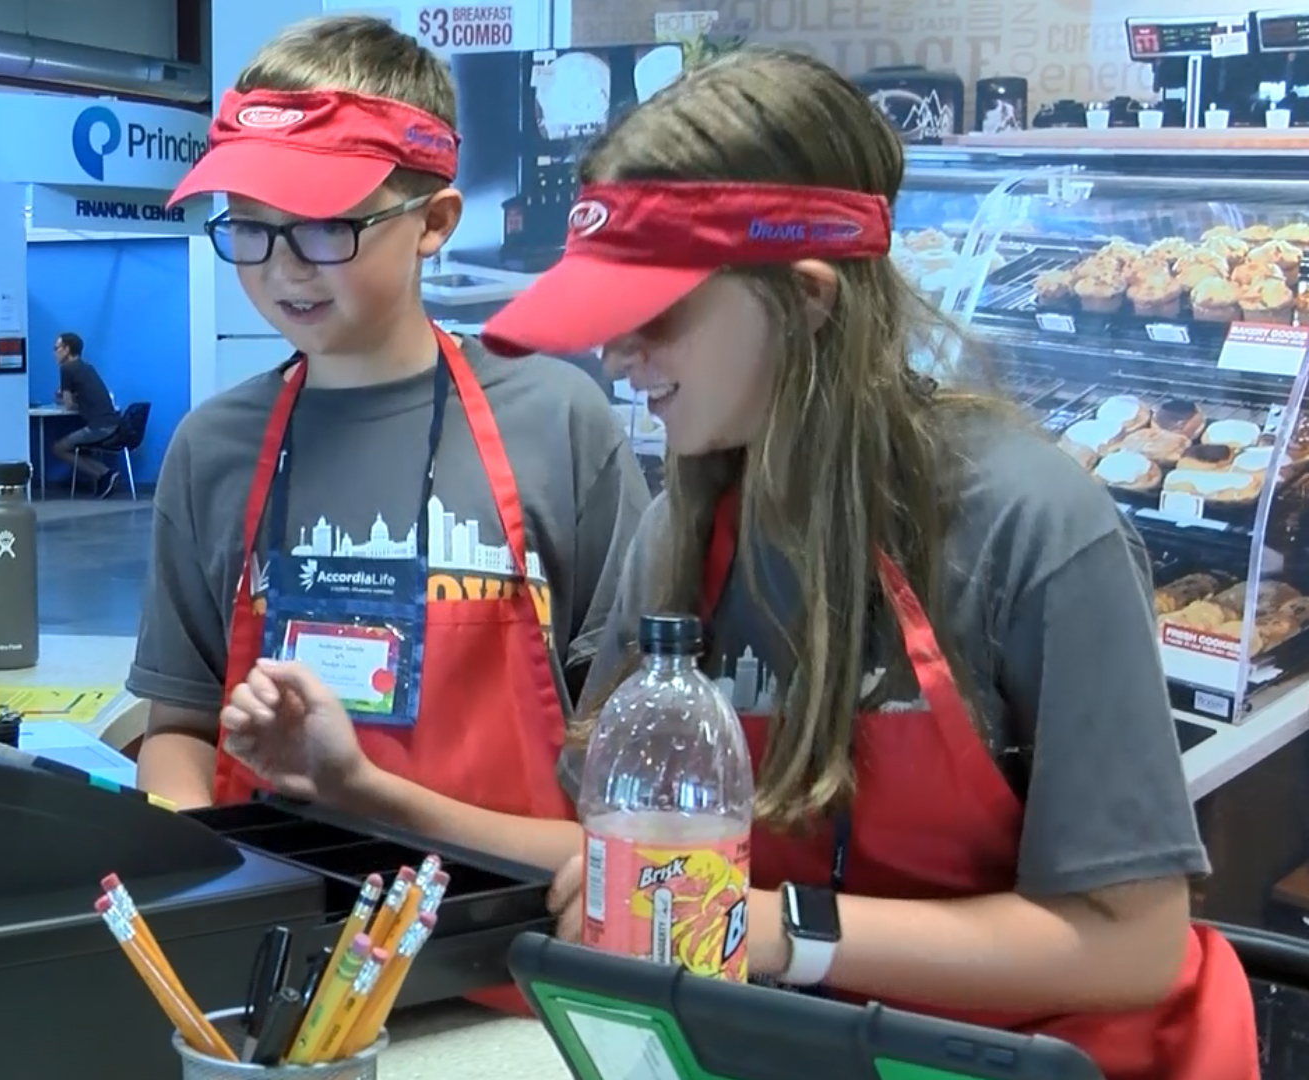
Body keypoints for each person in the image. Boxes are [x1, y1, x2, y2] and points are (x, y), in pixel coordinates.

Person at [456, 48, 1248, 1080]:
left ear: (807, 297)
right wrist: (363, 797)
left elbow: (1133, 943)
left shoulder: (1032, 527)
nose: (616, 355)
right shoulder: (679, 532)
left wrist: (785, 931)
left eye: (653, 315)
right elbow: (627, 859)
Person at [130, 14, 648, 883]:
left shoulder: (560, 423)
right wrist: (192, 875)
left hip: (510, 940)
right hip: (275, 940)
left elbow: (630, 751)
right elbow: (179, 726)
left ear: (435, 220)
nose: (284, 266)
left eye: (327, 226)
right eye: (249, 226)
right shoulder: (211, 449)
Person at [50, 331, 122, 495]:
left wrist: (62, 399)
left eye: (57, 348)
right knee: (77, 446)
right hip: (113, 423)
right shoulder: (86, 367)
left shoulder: (66, 369)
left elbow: (68, 405)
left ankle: (104, 473)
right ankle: (105, 474)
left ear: (67, 349)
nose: (55, 353)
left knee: (59, 448)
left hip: (100, 427)